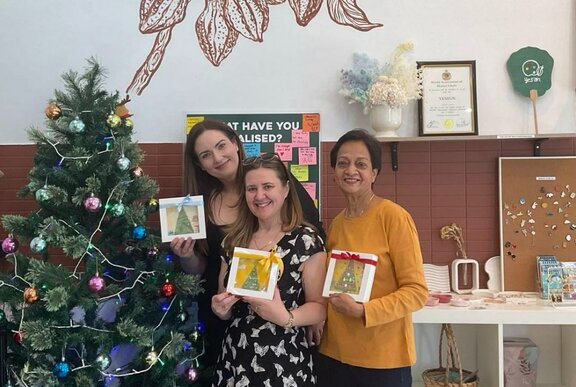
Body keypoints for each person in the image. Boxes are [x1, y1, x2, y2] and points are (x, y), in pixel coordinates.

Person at [169, 120, 324, 378]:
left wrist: (303, 316)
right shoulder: (218, 224)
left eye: (221, 146)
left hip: (286, 352)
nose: (217, 158)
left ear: (235, 144)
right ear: (199, 164)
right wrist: (187, 256)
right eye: (206, 155)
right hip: (232, 339)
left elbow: (314, 258)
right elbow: (206, 269)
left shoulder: (301, 236)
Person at [313, 129, 428, 387]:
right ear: (333, 172)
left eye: (361, 164)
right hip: (334, 355)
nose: (350, 170)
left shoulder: (394, 217)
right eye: (343, 163)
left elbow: (416, 291)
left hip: (382, 360)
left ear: (374, 173)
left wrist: (363, 311)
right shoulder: (338, 223)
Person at [211, 152, 327, 386]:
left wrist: (286, 317)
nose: (259, 195)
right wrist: (220, 309)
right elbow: (225, 304)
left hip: (285, 360)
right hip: (236, 357)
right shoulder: (233, 242)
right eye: (251, 188)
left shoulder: (306, 241)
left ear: (285, 190)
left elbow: (320, 308)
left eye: (267, 186)